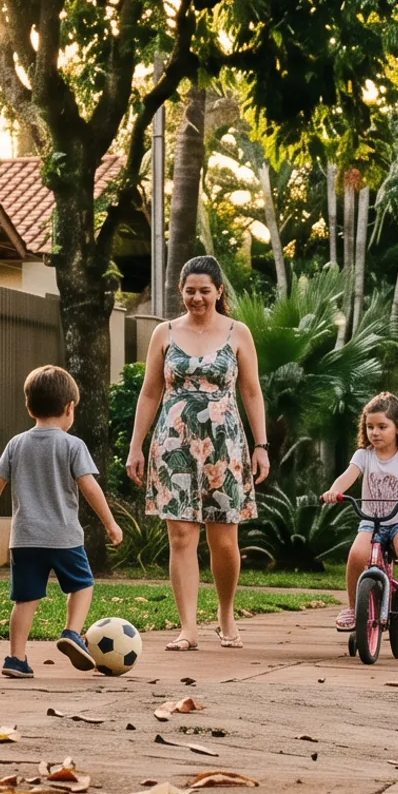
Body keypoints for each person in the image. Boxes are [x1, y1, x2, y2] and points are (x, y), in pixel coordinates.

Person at [125, 254, 269, 650]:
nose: (197, 298)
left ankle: (225, 613)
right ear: (181, 291)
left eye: (205, 290)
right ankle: (187, 627)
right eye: (190, 291)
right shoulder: (164, 333)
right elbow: (150, 392)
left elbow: (251, 392)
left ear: (219, 291)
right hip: (174, 444)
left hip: (225, 445)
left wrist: (261, 446)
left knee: (224, 540)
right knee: (181, 536)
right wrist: (136, 445)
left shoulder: (238, 333)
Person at [0, 365, 124, 678]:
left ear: (29, 407)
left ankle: (16, 658)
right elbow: (90, 487)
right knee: (82, 585)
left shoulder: (16, 444)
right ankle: (72, 632)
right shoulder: (72, 445)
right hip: (63, 536)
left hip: (25, 539)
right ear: (69, 408)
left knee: (25, 599)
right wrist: (110, 523)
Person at [321, 392, 398, 628]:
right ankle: (353, 608)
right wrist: (334, 491)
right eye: (370, 427)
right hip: (371, 522)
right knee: (356, 556)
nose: (374, 432)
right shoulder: (364, 455)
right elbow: (347, 477)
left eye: (382, 427)